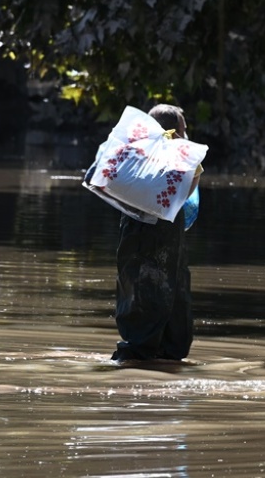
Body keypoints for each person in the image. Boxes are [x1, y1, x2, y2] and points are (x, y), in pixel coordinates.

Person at [111, 103, 202, 362]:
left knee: (137, 289)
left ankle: (138, 351)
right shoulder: (185, 157)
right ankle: (164, 352)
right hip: (166, 238)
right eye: (183, 129)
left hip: (133, 235)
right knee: (170, 291)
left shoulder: (132, 155)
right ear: (174, 132)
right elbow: (186, 194)